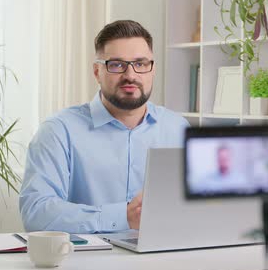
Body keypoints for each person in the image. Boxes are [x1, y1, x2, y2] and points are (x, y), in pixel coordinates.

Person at [19, 20, 189, 234]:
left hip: (165, 259)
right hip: (85, 263)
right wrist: (123, 217)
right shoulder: (58, 131)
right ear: (97, 72)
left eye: (141, 63)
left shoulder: (178, 129)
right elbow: (36, 214)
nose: (131, 75)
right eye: (117, 64)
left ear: (152, 69)